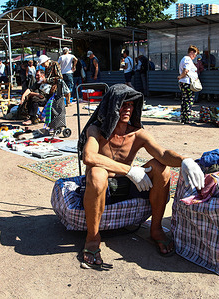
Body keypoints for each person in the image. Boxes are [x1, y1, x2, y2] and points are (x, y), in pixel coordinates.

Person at [77, 84, 204, 268]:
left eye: (131, 104)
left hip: (129, 187)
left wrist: (185, 160)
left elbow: (162, 153)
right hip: (103, 191)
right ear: (113, 105)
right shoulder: (96, 130)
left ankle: (156, 229)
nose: (127, 108)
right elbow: (89, 157)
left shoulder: (138, 133)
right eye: (123, 104)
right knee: (97, 173)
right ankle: (92, 238)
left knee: (162, 168)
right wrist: (129, 170)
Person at [177, 45, 199, 124]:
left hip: (184, 82)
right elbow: (186, 70)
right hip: (187, 82)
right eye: (195, 54)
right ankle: (187, 119)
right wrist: (180, 76)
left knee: (185, 100)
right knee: (189, 100)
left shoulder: (185, 59)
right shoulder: (188, 59)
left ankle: (184, 118)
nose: (195, 56)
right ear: (191, 52)